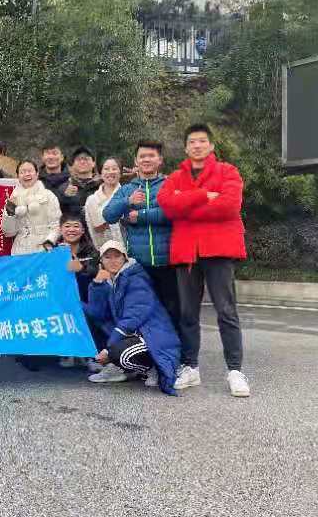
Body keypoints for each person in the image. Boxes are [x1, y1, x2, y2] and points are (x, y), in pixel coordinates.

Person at [157, 123, 250, 398]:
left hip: (218, 249)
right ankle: (190, 367)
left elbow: (230, 205)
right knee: (187, 313)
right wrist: (202, 196)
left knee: (226, 311)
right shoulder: (176, 176)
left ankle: (235, 370)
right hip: (187, 251)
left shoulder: (228, 171)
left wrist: (186, 206)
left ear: (211, 145)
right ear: (186, 148)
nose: (197, 145)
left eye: (202, 141)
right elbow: (167, 205)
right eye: (192, 142)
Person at [83, 240, 180, 395]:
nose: (113, 261)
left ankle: (153, 368)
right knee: (95, 322)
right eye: (108, 257)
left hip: (151, 335)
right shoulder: (110, 280)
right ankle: (122, 368)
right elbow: (98, 314)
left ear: (125, 258)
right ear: (101, 261)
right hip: (133, 334)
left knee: (118, 353)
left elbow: (132, 318)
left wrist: (108, 350)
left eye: (117, 256)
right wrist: (97, 284)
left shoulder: (135, 278)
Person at [103, 141, 180, 331]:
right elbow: (108, 214)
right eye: (142, 156)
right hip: (139, 264)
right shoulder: (127, 189)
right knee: (142, 311)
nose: (146, 159)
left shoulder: (170, 185)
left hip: (168, 261)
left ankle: (175, 348)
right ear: (136, 161)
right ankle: (146, 348)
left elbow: (175, 212)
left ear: (160, 160)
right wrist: (127, 201)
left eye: (151, 156)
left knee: (172, 310)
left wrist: (140, 216)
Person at [47, 213, 100, 370]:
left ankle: (90, 356)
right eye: (67, 226)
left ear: (83, 230)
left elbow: (96, 271)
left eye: (76, 226)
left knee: (87, 314)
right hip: (62, 298)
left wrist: (81, 268)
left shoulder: (91, 250)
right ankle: (68, 352)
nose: (72, 230)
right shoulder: (53, 251)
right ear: (60, 230)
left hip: (86, 296)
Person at [1, 160, 61, 256]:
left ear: (37, 174)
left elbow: (56, 225)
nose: (27, 174)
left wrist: (49, 241)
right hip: (20, 250)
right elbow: (8, 233)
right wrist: (9, 212)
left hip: (43, 249)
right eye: (22, 172)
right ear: (18, 176)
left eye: (30, 171)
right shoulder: (13, 198)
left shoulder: (48, 196)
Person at [84, 157, 125, 250]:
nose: (110, 172)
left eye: (114, 168)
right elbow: (96, 228)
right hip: (103, 251)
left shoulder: (128, 194)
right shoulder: (92, 200)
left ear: (120, 172)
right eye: (106, 169)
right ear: (100, 173)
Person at [57, 146, 101, 214]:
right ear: (73, 164)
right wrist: (65, 197)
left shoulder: (102, 185)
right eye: (78, 159)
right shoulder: (64, 188)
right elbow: (57, 211)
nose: (82, 162)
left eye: (86, 159)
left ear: (93, 163)